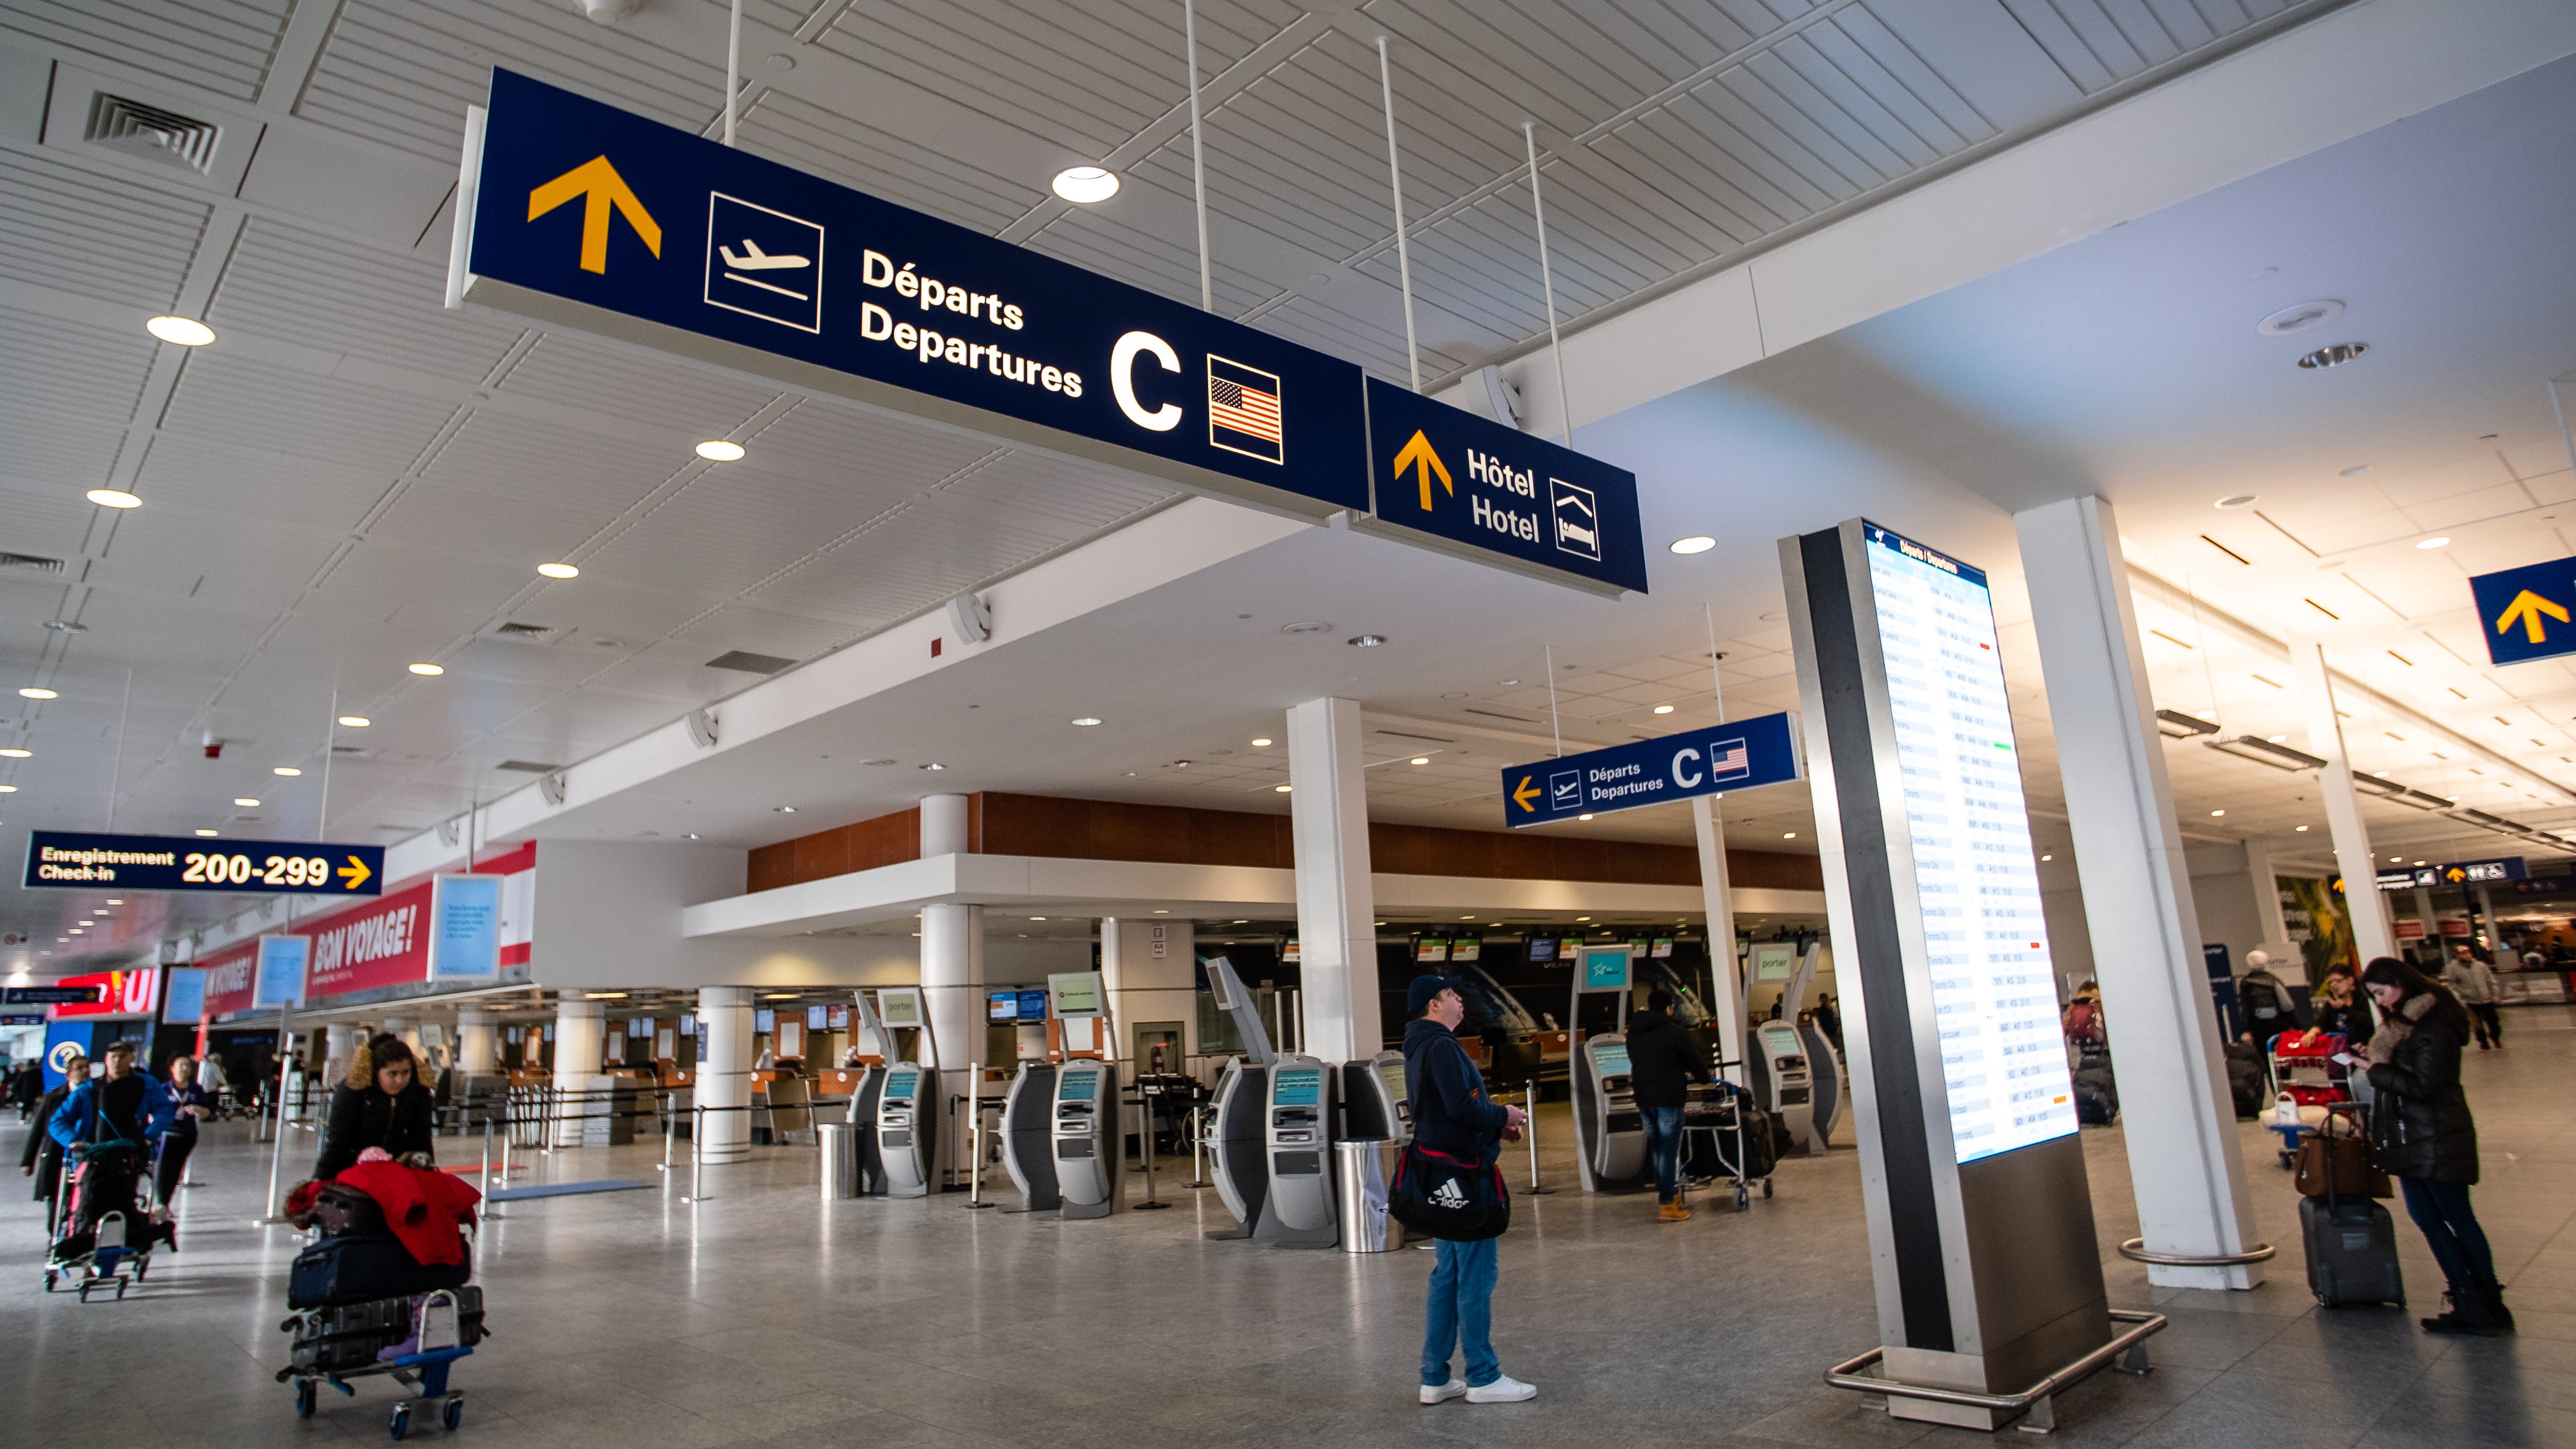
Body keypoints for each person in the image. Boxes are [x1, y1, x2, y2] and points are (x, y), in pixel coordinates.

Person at [1403, 974, 1534, 1406]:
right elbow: (1461, 1107)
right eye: (1452, 994)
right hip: (1463, 1173)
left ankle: (1434, 1376)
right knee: (1475, 1276)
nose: (1460, 999)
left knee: (1448, 1275)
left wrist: (1497, 1124)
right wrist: (1505, 1113)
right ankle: (1483, 1375)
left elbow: (1448, 1110)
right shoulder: (1441, 1045)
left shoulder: (1420, 1044)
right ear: (1434, 1005)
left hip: (1441, 1174)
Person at [2360, 957, 2508, 1336]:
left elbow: (2424, 1087)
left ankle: (2481, 1302)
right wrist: (2376, 1060)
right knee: (2432, 1220)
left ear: (2399, 983)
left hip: (2436, 1137)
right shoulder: (2406, 1026)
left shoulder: (2432, 1027)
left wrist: (2375, 1071)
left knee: (2455, 1219)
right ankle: (2472, 1300)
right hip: (2415, 1138)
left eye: (2382, 993)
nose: (2383, 1003)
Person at [1623, 987, 1713, 1222]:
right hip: (1669, 1100)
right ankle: (1666, 1204)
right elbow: (1695, 1063)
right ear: (1669, 1008)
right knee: (1669, 1152)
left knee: (1657, 1150)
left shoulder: (1634, 1032)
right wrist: (1704, 1079)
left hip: (1644, 1099)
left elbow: (1636, 1060)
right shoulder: (1675, 1032)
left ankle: (1670, 1195)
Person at [314, 1034, 435, 1180]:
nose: (400, 1080)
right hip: (354, 1167)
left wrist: (428, 1173)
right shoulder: (353, 1091)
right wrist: (321, 1179)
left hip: (396, 1168)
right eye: (392, 1074)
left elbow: (421, 1138)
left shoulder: (417, 1092)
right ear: (377, 1072)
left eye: (406, 1073)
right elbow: (338, 1141)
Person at [19, 1051, 83, 1231]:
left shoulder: (95, 1095)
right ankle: (55, 1240)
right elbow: (38, 1130)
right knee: (55, 1202)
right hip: (55, 1156)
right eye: (79, 1068)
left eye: (86, 1068)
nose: (84, 1072)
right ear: (68, 1074)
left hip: (82, 1157)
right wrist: (27, 1161)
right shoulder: (53, 1097)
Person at [154, 1056, 216, 1207]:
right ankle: (161, 1203)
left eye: (188, 1065)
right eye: (181, 1065)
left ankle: (166, 1202)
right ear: (172, 1068)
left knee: (176, 1169)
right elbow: (153, 1112)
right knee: (165, 1169)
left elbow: (208, 1113)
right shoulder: (164, 1089)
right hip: (167, 1134)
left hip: (187, 1134)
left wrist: (198, 1109)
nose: (185, 1068)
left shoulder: (196, 1089)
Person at [2445, 943, 2502, 1051]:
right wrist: (2460, 998)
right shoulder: (2453, 968)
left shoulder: (2481, 966)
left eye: (2468, 953)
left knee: (2494, 1022)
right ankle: (2484, 1043)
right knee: (2477, 1025)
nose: (2467, 956)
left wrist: (2495, 994)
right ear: (2458, 956)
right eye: (2463, 954)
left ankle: (2495, 1037)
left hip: (2487, 999)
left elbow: (2491, 981)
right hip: (2471, 1002)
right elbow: (2453, 985)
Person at [2238, 952, 2306, 1039]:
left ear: (2248, 965)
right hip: (2279, 1025)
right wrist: (2298, 1027)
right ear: (2266, 963)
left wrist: (2247, 1030)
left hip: (2257, 1027)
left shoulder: (2245, 983)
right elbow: (2287, 1006)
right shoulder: (2274, 980)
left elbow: (2246, 1008)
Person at [2303, 973, 2374, 1050]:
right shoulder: (2331, 1004)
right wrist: (2313, 1032)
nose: (2334, 985)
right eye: (2331, 982)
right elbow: (2322, 1021)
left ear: (2350, 980)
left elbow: (2369, 1022)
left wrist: (2344, 1009)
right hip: (2339, 1048)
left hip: (2364, 1047)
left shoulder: (2364, 1000)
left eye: (2338, 981)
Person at [2061, 981, 2106, 1053]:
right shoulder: (2099, 1003)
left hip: (2080, 1045)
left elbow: (2065, 1028)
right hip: (2099, 1044)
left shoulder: (2073, 1005)